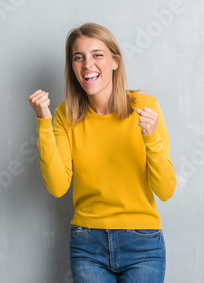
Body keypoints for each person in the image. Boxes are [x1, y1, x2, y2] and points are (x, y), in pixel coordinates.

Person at [28, 22, 177, 282]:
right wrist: (43, 120)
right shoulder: (66, 114)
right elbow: (57, 186)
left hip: (143, 242)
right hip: (88, 243)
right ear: (72, 66)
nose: (87, 65)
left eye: (97, 55)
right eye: (78, 58)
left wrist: (150, 137)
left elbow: (165, 190)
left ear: (115, 62)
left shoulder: (146, 108)